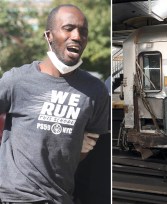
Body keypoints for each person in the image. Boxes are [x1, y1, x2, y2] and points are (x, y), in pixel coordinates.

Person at [0, 4, 109, 204]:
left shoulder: (96, 91)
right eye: (68, 28)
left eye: (83, 31)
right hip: (16, 197)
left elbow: (87, 147)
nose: (77, 36)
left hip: (61, 197)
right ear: (48, 36)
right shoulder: (16, 80)